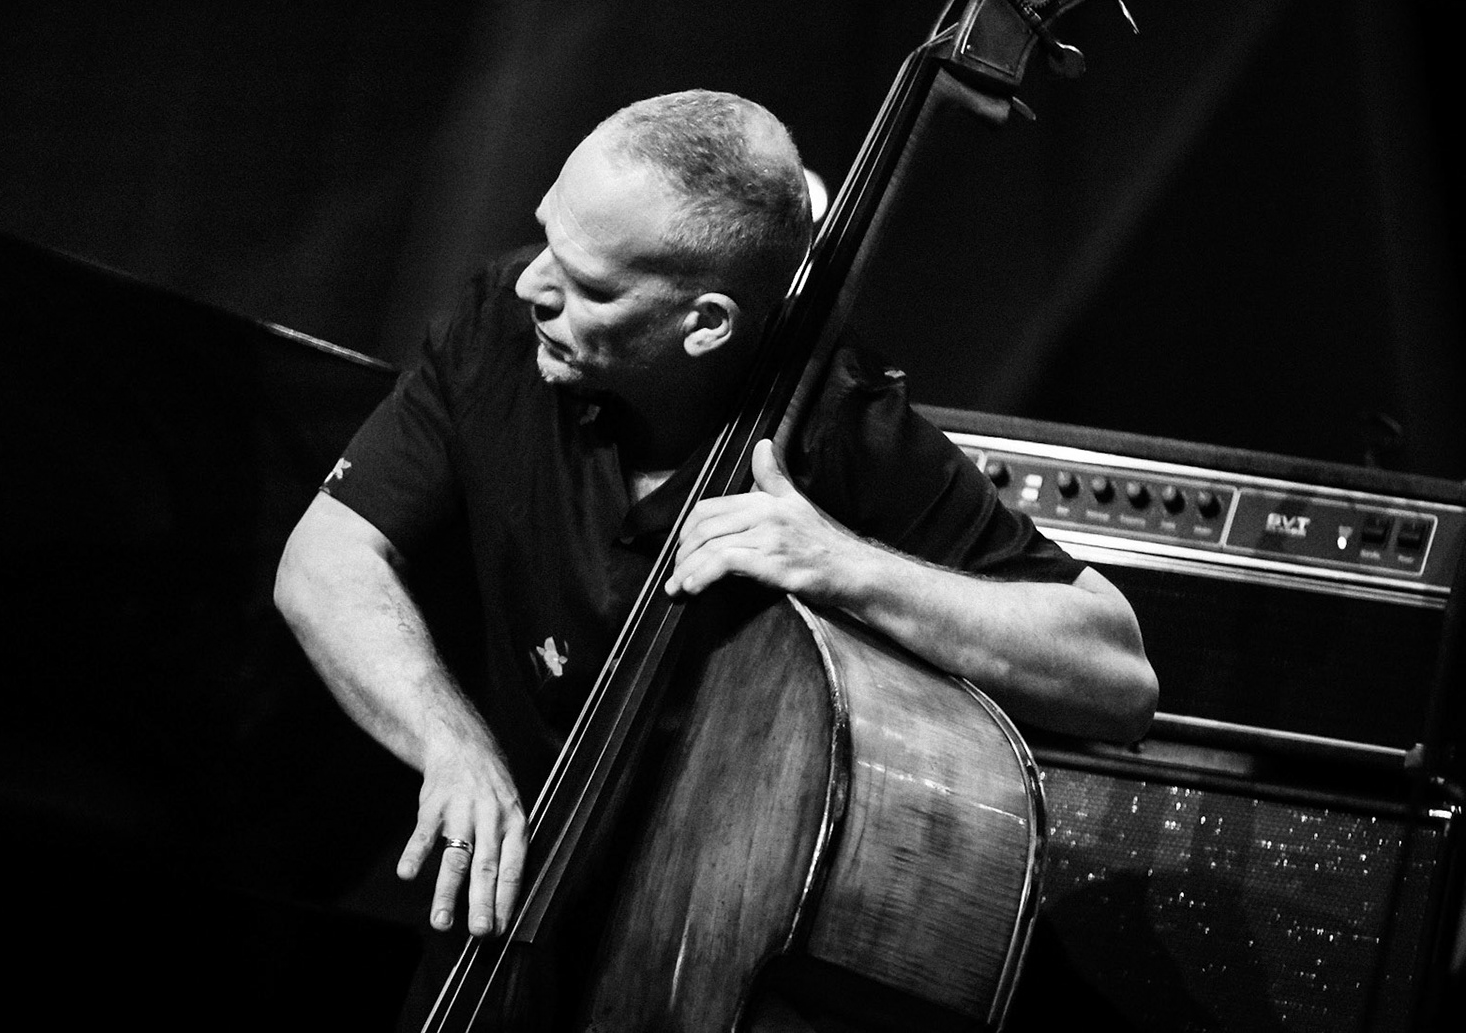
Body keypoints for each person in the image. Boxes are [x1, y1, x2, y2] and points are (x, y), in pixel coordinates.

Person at [273, 89, 1157, 1016]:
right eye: (545, 238)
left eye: (592, 287)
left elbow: (1117, 674)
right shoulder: (502, 324)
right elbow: (327, 558)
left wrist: (845, 563)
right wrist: (450, 743)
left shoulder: (840, 427)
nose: (534, 285)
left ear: (705, 325)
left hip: (693, 974)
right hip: (496, 940)